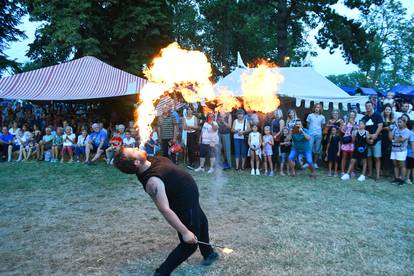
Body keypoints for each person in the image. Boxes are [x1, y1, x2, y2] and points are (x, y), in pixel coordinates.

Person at [113, 147, 219, 275]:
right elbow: (165, 209)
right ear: (136, 162)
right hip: (184, 208)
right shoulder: (152, 182)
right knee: (189, 245)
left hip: (191, 202)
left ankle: (208, 254)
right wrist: (185, 232)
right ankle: (161, 273)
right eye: (133, 150)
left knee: (203, 223)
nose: (136, 147)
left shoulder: (148, 160)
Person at [361, 101, 383, 180]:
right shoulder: (364, 117)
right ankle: (370, 173)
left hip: (377, 139)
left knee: (377, 158)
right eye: (366, 106)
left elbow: (380, 126)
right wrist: (368, 138)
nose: (368, 107)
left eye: (369, 106)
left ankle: (377, 175)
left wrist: (375, 135)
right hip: (368, 139)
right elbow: (362, 128)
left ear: (372, 106)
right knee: (369, 157)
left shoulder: (377, 115)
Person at [389, 117, 410, 185]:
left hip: (401, 151)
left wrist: (394, 139)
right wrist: (390, 130)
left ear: (404, 123)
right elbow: (390, 138)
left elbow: (402, 139)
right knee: (395, 164)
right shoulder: (395, 129)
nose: (399, 123)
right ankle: (396, 178)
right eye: (398, 122)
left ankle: (402, 179)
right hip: (394, 149)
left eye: (400, 122)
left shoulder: (407, 131)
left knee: (402, 165)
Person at [307, 103, 326, 168]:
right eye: (316, 107)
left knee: (317, 149)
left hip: (318, 134)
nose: (317, 109)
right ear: (314, 108)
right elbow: (308, 124)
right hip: (311, 134)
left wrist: (318, 130)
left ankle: (315, 163)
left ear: (320, 109)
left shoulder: (322, 117)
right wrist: (310, 131)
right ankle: (309, 162)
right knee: (309, 148)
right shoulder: (310, 115)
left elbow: (322, 126)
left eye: (318, 107)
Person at [340, 111, 357, 176]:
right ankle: (342, 171)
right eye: (351, 115)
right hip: (346, 140)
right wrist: (344, 126)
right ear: (349, 116)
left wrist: (353, 124)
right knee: (344, 156)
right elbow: (342, 130)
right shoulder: (345, 123)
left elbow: (356, 129)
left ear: (355, 116)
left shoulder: (356, 123)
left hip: (352, 141)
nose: (352, 116)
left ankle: (351, 171)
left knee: (352, 157)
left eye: (353, 115)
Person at [381, 105, 394, 176]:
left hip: (390, 138)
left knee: (389, 154)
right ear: (384, 110)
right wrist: (385, 128)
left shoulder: (393, 119)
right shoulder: (381, 118)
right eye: (386, 109)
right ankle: (382, 170)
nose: (388, 111)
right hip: (383, 138)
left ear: (391, 111)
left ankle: (388, 171)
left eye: (389, 109)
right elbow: (379, 129)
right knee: (383, 154)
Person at [405, 120, 414, 184]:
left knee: (412, 167)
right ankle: (407, 178)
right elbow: (412, 144)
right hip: (411, 153)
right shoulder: (412, 133)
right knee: (410, 167)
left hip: (410, 153)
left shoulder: (410, 132)